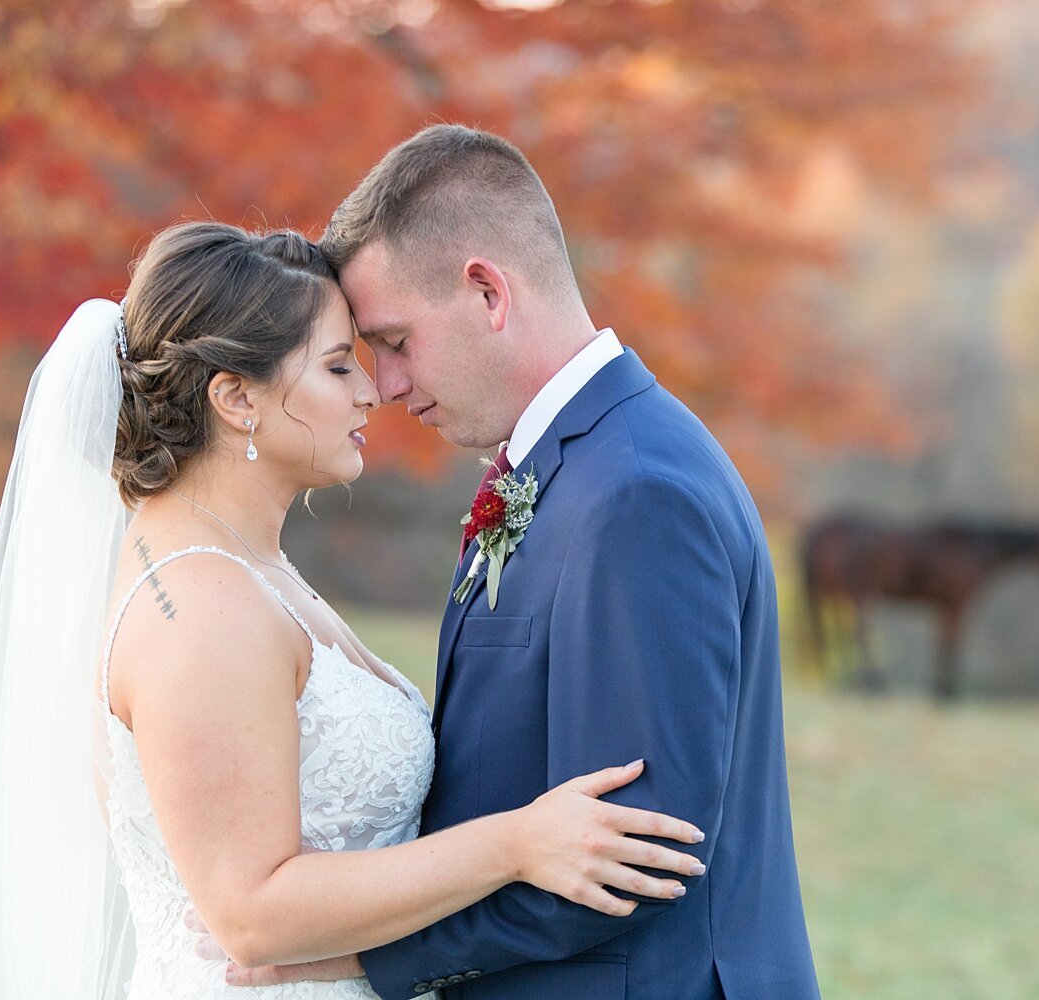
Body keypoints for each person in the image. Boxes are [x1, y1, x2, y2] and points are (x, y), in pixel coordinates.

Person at [0, 221, 704, 1000]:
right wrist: (517, 843)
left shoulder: (251, 569)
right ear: (236, 398)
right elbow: (252, 917)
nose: (373, 389)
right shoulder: (200, 608)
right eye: (337, 367)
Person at [234, 124, 821, 999]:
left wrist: (365, 958)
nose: (385, 386)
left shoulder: (635, 494)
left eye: (393, 341)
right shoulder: (576, 465)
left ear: (486, 293)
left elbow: (634, 854)